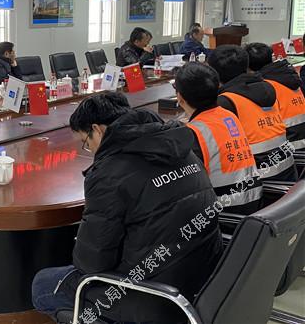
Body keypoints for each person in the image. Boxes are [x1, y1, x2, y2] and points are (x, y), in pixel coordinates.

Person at [32, 92, 222, 323]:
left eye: (86, 142)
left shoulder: (109, 173)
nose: (90, 150)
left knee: (43, 284)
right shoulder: (180, 147)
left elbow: (92, 264)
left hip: (155, 296)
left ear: (97, 130)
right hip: (206, 279)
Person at [175, 62, 262, 214]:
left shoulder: (194, 133)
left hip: (225, 212)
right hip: (255, 203)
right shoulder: (229, 115)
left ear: (180, 98)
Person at [208, 45, 298, 182]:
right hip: (288, 171)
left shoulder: (226, 102)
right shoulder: (268, 87)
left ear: (214, 74)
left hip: (259, 180)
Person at [246, 42, 305, 151]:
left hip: (291, 145)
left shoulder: (265, 86)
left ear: (248, 66)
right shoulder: (287, 74)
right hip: (299, 138)